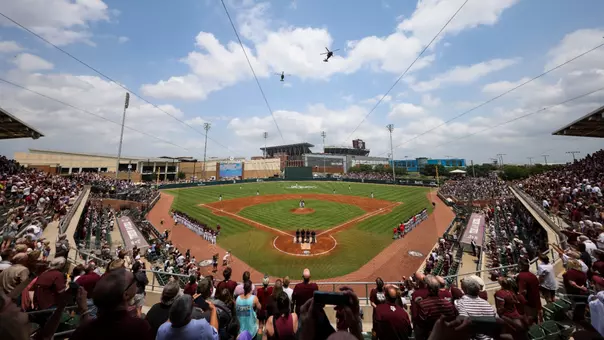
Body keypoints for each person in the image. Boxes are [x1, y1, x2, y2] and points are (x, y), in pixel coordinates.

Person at [69, 268, 154, 340]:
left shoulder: (82, 331)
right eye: (133, 280)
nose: (136, 283)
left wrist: (84, 311)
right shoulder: (140, 328)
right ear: (126, 294)